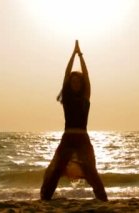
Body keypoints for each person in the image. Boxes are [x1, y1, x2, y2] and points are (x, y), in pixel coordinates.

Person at [40, 40, 108, 201]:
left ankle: (103, 199)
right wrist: (72, 54)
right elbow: (65, 74)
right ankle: (45, 199)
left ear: (81, 83)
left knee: (91, 171)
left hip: (83, 138)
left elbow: (87, 75)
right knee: (57, 169)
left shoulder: (86, 97)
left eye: (78, 81)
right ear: (70, 84)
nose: (75, 83)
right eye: (73, 81)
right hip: (68, 138)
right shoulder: (67, 98)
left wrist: (81, 55)